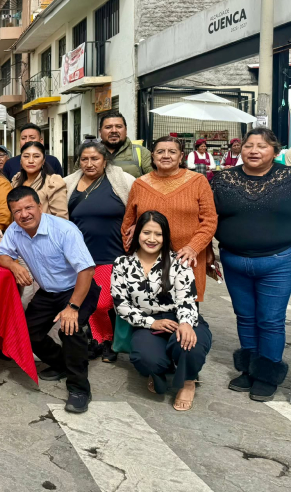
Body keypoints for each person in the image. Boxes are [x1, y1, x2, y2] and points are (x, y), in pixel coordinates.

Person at [0, 187, 100, 413]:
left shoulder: (64, 230)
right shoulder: (15, 230)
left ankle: (79, 388)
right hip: (48, 292)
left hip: (78, 289)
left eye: (28, 207)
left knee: (70, 330)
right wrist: (14, 265)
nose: (24, 214)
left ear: (39, 206)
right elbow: (1, 255)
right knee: (27, 332)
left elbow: (86, 270)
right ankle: (62, 364)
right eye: (17, 211)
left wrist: (72, 307)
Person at [211, 127, 291, 401]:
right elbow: (208, 216)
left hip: (277, 262)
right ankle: (248, 369)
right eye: (249, 145)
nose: (254, 150)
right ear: (240, 149)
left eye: (262, 146)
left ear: (275, 151)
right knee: (245, 317)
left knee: (270, 320)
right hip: (234, 261)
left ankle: (267, 375)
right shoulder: (223, 179)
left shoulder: (287, 178)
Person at [112, 211, 210, 410]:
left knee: (189, 345)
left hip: (179, 317)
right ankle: (158, 371)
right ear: (138, 234)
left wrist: (186, 324)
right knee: (146, 358)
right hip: (148, 322)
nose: (152, 239)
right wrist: (152, 323)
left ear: (165, 237)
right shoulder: (122, 264)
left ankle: (188, 381)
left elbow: (186, 299)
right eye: (146, 232)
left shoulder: (179, 262)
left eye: (158, 234)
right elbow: (121, 305)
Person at [122, 135, 217, 301]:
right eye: (160, 152)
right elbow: (127, 224)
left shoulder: (198, 182)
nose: (166, 156)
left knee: (186, 311)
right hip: (148, 265)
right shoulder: (140, 184)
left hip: (187, 262)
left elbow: (209, 221)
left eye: (172, 152)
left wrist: (193, 248)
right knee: (148, 311)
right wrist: (135, 253)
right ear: (152, 156)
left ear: (181, 156)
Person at [65, 141, 135, 362]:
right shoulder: (68, 184)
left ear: (105, 160)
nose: (89, 163)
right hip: (79, 256)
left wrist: (137, 226)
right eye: (84, 159)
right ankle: (99, 340)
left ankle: (107, 339)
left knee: (102, 302)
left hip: (111, 253)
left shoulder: (123, 181)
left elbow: (138, 208)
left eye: (95, 159)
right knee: (87, 299)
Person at [11, 141, 68, 219]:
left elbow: (61, 218)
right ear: (21, 161)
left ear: (43, 161)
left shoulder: (52, 182)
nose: (31, 161)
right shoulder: (16, 180)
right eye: (26, 156)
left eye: (36, 156)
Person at [98, 113, 152, 178]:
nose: (114, 131)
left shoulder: (141, 153)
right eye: (108, 127)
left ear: (126, 130)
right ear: (100, 132)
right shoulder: (91, 153)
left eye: (119, 126)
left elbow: (155, 180)